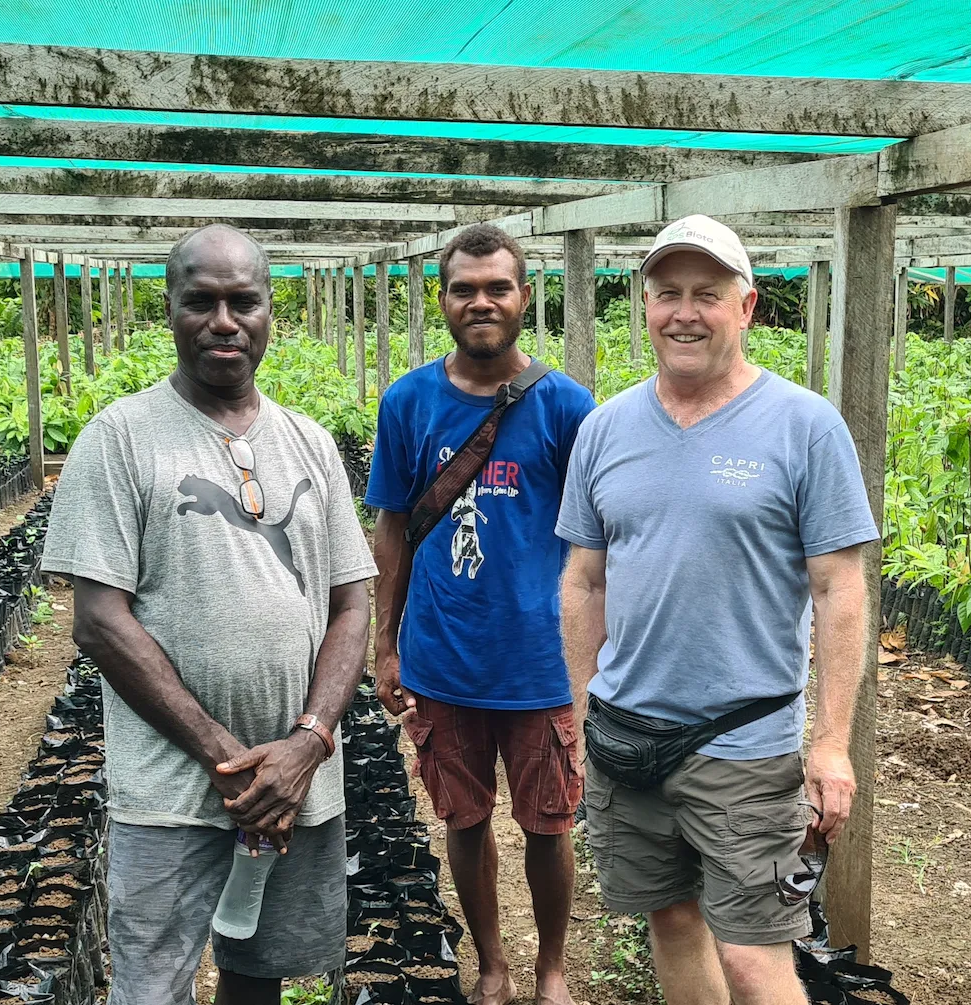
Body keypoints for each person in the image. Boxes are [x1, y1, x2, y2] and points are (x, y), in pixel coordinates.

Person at [41, 224, 376, 1005]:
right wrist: (231, 760)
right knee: (152, 982)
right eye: (201, 301)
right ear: (170, 309)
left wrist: (303, 745)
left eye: (242, 301)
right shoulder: (121, 439)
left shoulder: (309, 443)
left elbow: (351, 604)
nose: (223, 320)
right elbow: (99, 620)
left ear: (268, 313)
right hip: (172, 792)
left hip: (298, 784)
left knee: (258, 973)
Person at [557, 215, 880, 1005]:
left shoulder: (803, 425)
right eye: (666, 293)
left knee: (753, 953)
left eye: (707, 293)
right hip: (626, 739)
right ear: (644, 305)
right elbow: (584, 581)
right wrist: (575, 714)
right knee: (669, 920)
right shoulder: (604, 429)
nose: (684, 312)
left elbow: (841, 588)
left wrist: (831, 744)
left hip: (744, 743)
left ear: (747, 307)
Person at [367, 224, 595, 1005]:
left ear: (524, 296)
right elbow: (394, 525)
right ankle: (492, 961)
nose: (481, 301)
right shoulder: (408, 401)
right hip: (442, 654)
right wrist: (384, 645)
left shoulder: (566, 406)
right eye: (464, 288)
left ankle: (552, 968)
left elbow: (594, 542)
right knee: (462, 819)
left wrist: (595, 657)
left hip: (540, 660)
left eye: (497, 286)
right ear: (442, 301)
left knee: (548, 824)